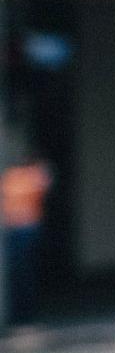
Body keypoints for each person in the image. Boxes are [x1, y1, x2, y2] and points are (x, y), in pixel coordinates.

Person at [2, 137, 53, 324]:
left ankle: (27, 314)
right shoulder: (12, 176)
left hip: (28, 228)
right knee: (16, 273)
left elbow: (46, 183)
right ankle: (19, 314)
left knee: (26, 272)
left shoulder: (34, 174)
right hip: (15, 229)